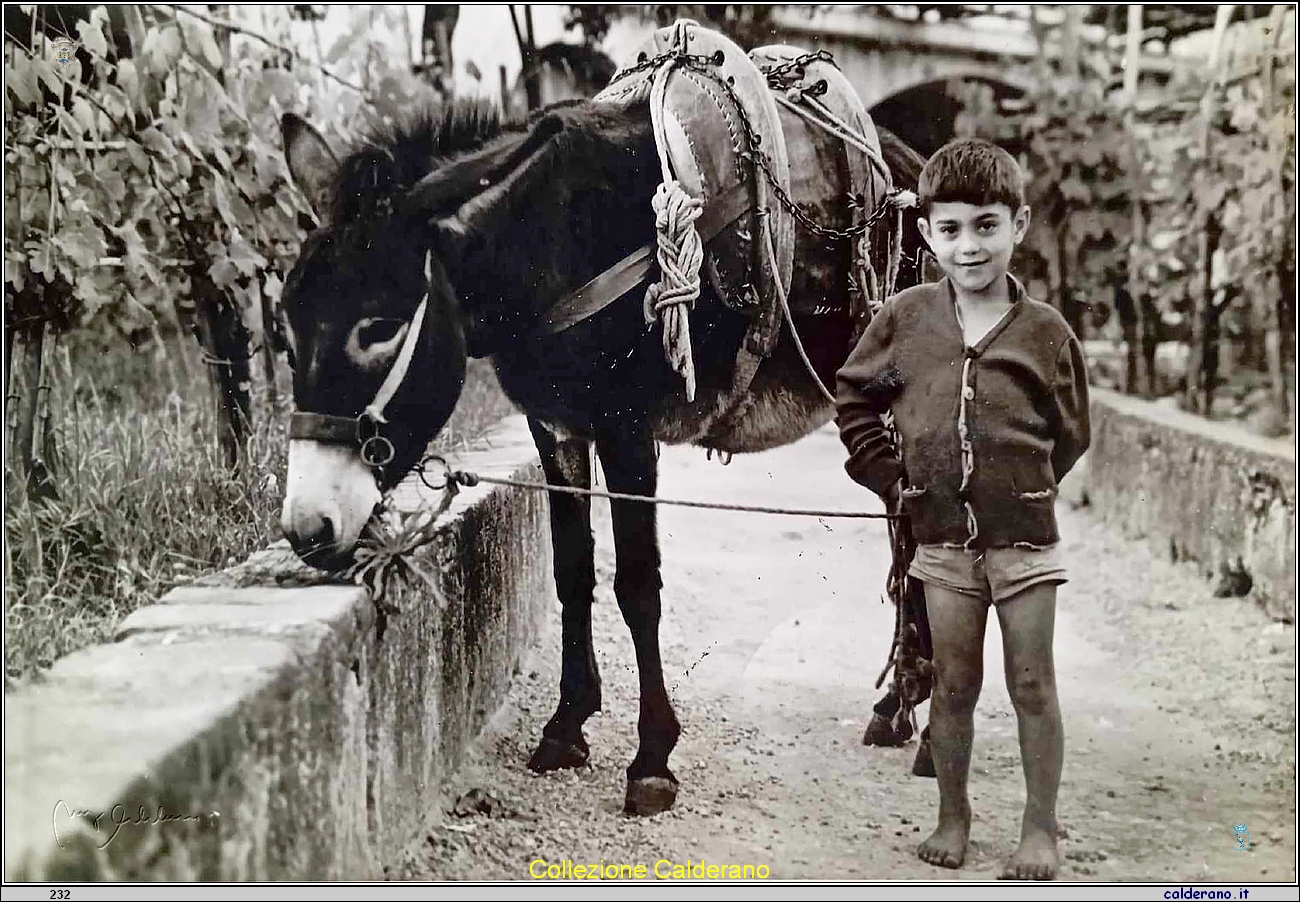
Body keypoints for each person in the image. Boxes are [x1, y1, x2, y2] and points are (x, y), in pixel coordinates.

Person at [834, 138, 1090, 881]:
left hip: (1024, 543)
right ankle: (953, 816)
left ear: (1019, 223)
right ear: (926, 234)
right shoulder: (906, 319)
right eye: (950, 229)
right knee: (953, 682)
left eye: (986, 225)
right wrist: (892, 479)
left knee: (1033, 680)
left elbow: (1071, 433)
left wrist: (1019, 486)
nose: (969, 246)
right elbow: (854, 397)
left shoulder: (1045, 332)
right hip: (940, 542)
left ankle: (1039, 829)